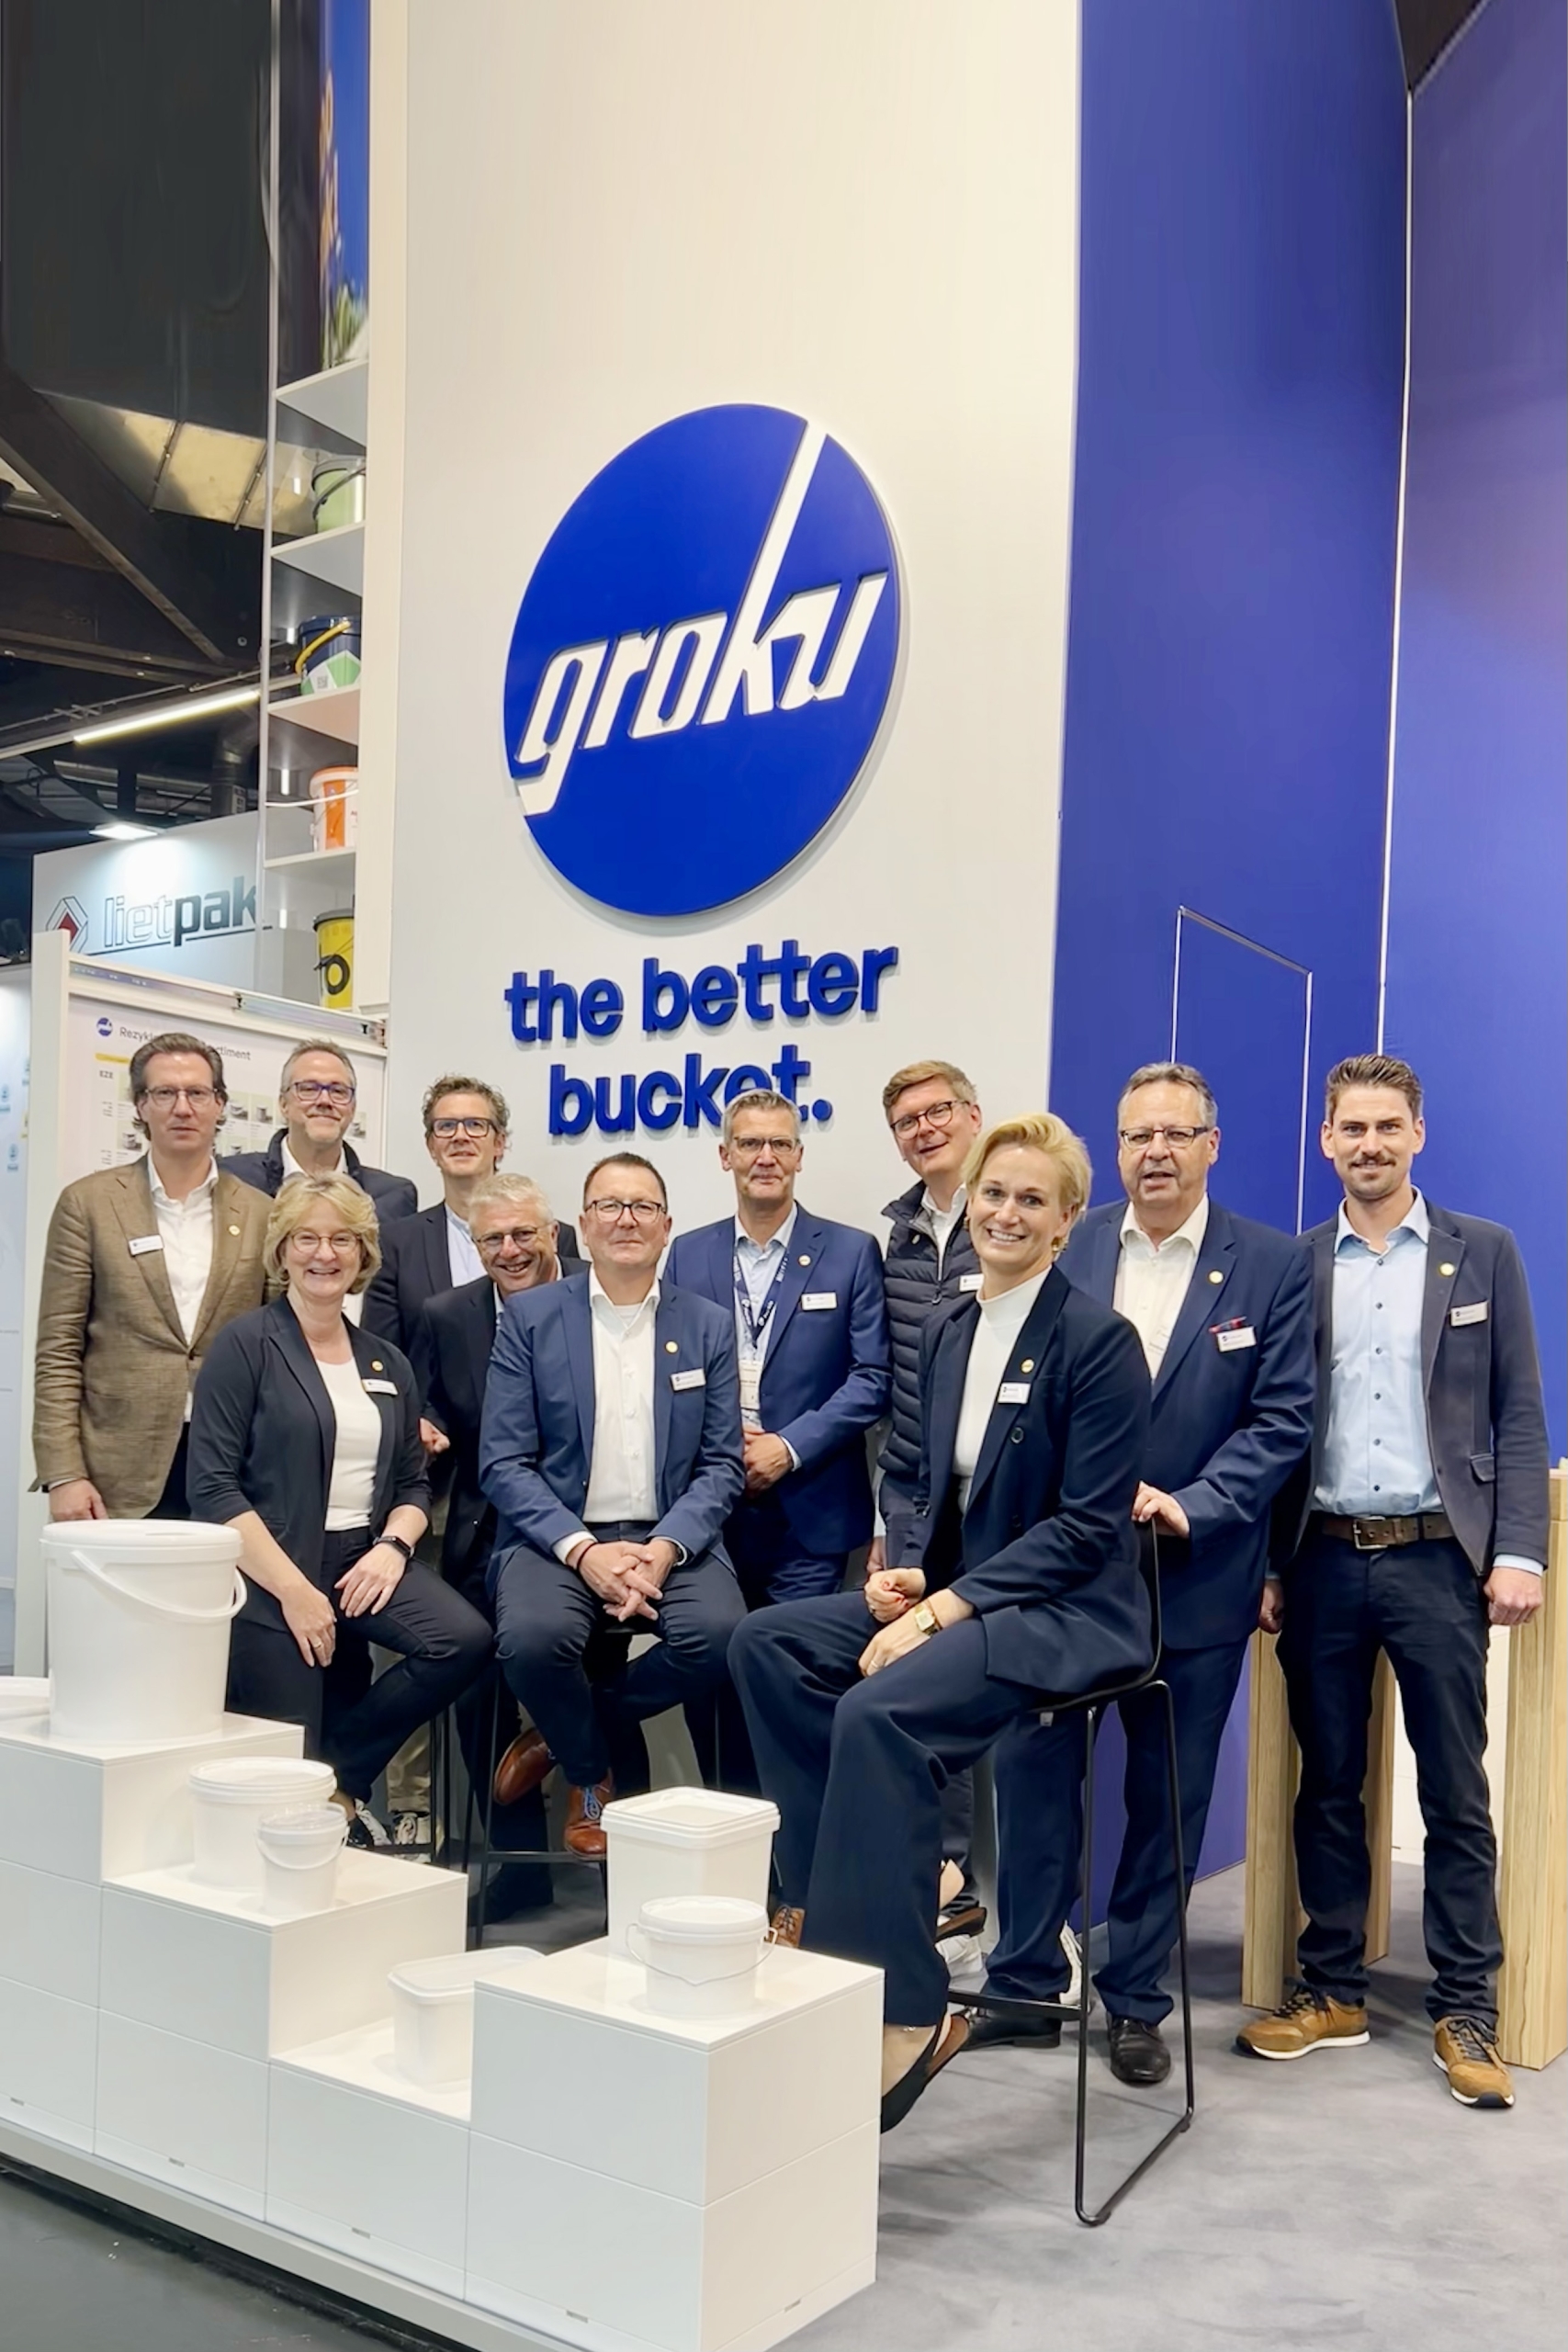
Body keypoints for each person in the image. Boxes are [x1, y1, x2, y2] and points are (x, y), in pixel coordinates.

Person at [729, 1114, 1151, 2132]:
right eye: (994, 1193)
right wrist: (917, 1577)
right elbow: (942, 1489)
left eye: (1032, 1200)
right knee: (767, 1645)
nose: (1006, 1212)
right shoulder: (953, 1325)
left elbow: (1086, 1529)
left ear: (1065, 1222)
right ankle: (856, 1898)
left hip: (1070, 1611)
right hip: (965, 1591)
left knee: (879, 1713)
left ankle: (906, 2012)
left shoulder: (1098, 1343)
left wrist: (946, 1608)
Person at [975, 1063, 1314, 2085]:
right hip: (1064, 1572)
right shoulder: (1067, 1244)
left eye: (1175, 1133)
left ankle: (1133, 2000)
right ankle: (1027, 1983)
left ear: (1212, 1144)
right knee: (1035, 1777)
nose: (1154, 1152)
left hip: (1193, 1576)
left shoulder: (1271, 1264)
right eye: (1135, 1135)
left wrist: (1192, 1503)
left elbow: (1282, 1418)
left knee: (1166, 1797)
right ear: (1115, 1149)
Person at [1237, 1055, 1549, 2110]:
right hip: (1321, 1556)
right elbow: (1272, 1424)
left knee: (1454, 1789)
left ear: (1418, 1134)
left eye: (1387, 1126)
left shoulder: (1482, 1252)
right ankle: (1332, 1988)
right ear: (1325, 1140)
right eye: (1352, 1128)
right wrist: (1267, 1562)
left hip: (1436, 1556)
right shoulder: (1295, 1264)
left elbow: (1517, 1409)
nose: (1369, 1144)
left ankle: (1467, 2006)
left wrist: (1519, 1550)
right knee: (1327, 1783)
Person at [187, 1174, 491, 1843]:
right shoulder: (247, 1346)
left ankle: (342, 1782)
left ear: (363, 1254)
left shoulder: (386, 1362)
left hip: (363, 1558)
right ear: (282, 1250)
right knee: (286, 1760)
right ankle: (319, 1804)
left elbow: (412, 1484)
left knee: (461, 1640)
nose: (324, 1254)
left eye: (342, 1240)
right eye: (307, 1238)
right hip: (271, 1569)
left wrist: (394, 1548)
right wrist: (295, 1592)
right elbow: (212, 1488)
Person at [479, 1152, 746, 1858]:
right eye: (609, 1206)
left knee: (721, 1638)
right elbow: (503, 1462)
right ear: (582, 1225)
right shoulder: (530, 1319)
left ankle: (564, 1735)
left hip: (671, 1537)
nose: (626, 1220)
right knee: (532, 1642)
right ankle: (590, 1771)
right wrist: (583, 1551)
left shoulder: (707, 1325)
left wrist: (663, 1549)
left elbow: (721, 1465)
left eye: (642, 1206)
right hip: (558, 1538)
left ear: (666, 1226)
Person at [33, 1031, 271, 1521]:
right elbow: (58, 1350)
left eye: (197, 1093)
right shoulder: (88, 1204)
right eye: (165, 1093)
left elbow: (277, 1346)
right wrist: (64, 1472)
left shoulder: (262, 1213)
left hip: (233, 1464)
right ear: (140, 1105)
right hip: (117, 1473)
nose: (182, 1108)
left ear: (219, 1104)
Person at [666, 1088, 890, 1603]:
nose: (765, 1158)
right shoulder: (687, 1254)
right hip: (713, 1506)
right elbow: (671, 1373)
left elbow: (872, 1379)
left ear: (798, 1156)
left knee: (788, 1647)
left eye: (780, 1144)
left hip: (812, 1506)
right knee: (712, 1647)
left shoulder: (851, 1252)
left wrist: (787, 1448)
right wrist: (727, 1444)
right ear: (726, 1155)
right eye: (750, 1144)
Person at [410, 1174, 564, 1917]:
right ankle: (521, 1866)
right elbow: (432, 1400)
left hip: (590, 1531)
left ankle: (617, 1857)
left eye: (523, 1234)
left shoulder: (598, 1293)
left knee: (583, 1671)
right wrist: (428, 1425)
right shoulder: (448, 1315)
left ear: (553, 1234)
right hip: (485, 1528)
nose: (510, 1250)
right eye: (492, 1239)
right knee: (474, 1687)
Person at [874, 1057, 987, 1957]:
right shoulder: (900, 1241)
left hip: (1001, 1495)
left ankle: (986, 1888)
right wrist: (890, 1521)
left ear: (973, 1115)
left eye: (938, 1111)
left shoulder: (1008, 1212)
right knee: (921, 1679)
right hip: (919, 1495)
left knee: (988, 1684)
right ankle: (943, 1877)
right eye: (907, 1120)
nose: (925, 1129)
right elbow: (896, 1395)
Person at [364, 1074, 581, 1353]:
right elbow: (381, 1353)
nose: (460, 1136)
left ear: (499, 1142)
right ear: (431, 1146)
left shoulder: (552, 1236)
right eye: (446, 1126)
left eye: (475, 1125)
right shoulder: (396, 1244)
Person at [223, 1040, 416, 1225]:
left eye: (338, 1091)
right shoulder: (232, 1180)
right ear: (283, 1104)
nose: (325, 1100)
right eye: (308, 1089)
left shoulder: (391, 1198)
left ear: (352, 1108)